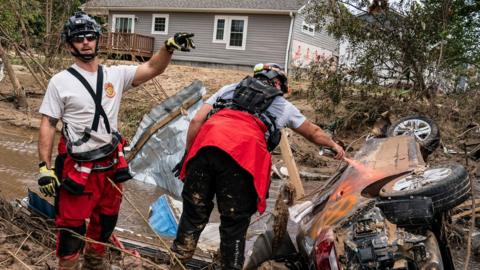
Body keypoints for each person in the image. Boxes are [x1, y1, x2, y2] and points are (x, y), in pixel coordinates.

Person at [36, 11, 195, 269]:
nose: (85, 42)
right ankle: (68, 265)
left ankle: (95, 260)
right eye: (79, 38)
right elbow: (48, 124)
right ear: (69, 45)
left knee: (106, 219)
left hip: (110, 165)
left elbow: (153, 67)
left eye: (90, 37)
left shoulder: (116, 75)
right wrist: (43, 167)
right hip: (77, 167)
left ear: (98, 40)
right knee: (71, 226)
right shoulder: (60, 82)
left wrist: (168, 47)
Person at [171, 63, 345, 269]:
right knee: (233, 225)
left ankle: (176, 263)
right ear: (279, 83)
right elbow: (313, 132)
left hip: (206, 148)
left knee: (193, 214)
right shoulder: (282, 105)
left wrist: (188, 156)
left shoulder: (228, 89)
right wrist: (334, 146)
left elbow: (196, 121)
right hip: (242, 157)